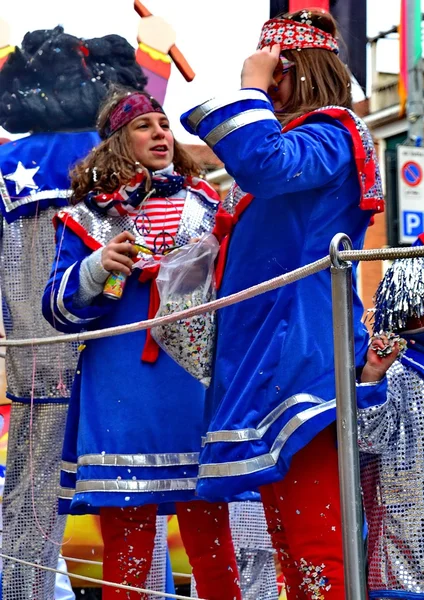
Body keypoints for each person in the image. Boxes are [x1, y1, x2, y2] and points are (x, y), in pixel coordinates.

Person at [180, 8, 384, 599]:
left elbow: (267, 167)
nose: (266, 87)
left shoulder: (333, 133)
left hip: (297, 347)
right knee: (291, 547)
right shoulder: (305, 136)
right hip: (265, 345)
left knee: (317, 547)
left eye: (275, 74)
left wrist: (248, 83)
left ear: (296, 70)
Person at [42, 87, 241, 600]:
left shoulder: (207, 204)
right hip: (121, 391)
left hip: (192, 389)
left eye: (164, 124)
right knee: (126, 549)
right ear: (116, 141)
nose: (160, 133)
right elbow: (56, 310)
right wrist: (94, 268)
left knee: (211, 539)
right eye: (144, 125)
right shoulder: (88, 217)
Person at [0, 26, 148, 600]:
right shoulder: (125, 159)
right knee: (136, 496)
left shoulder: (9, 166)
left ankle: (20, 594)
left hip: (38, 368)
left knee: (34, 498)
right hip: (125, 360)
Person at [358, 254, 424, 598]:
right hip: (411, 561)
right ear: (414, 308)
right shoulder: (396, 372)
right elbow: (365, 439)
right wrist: (372, 377)